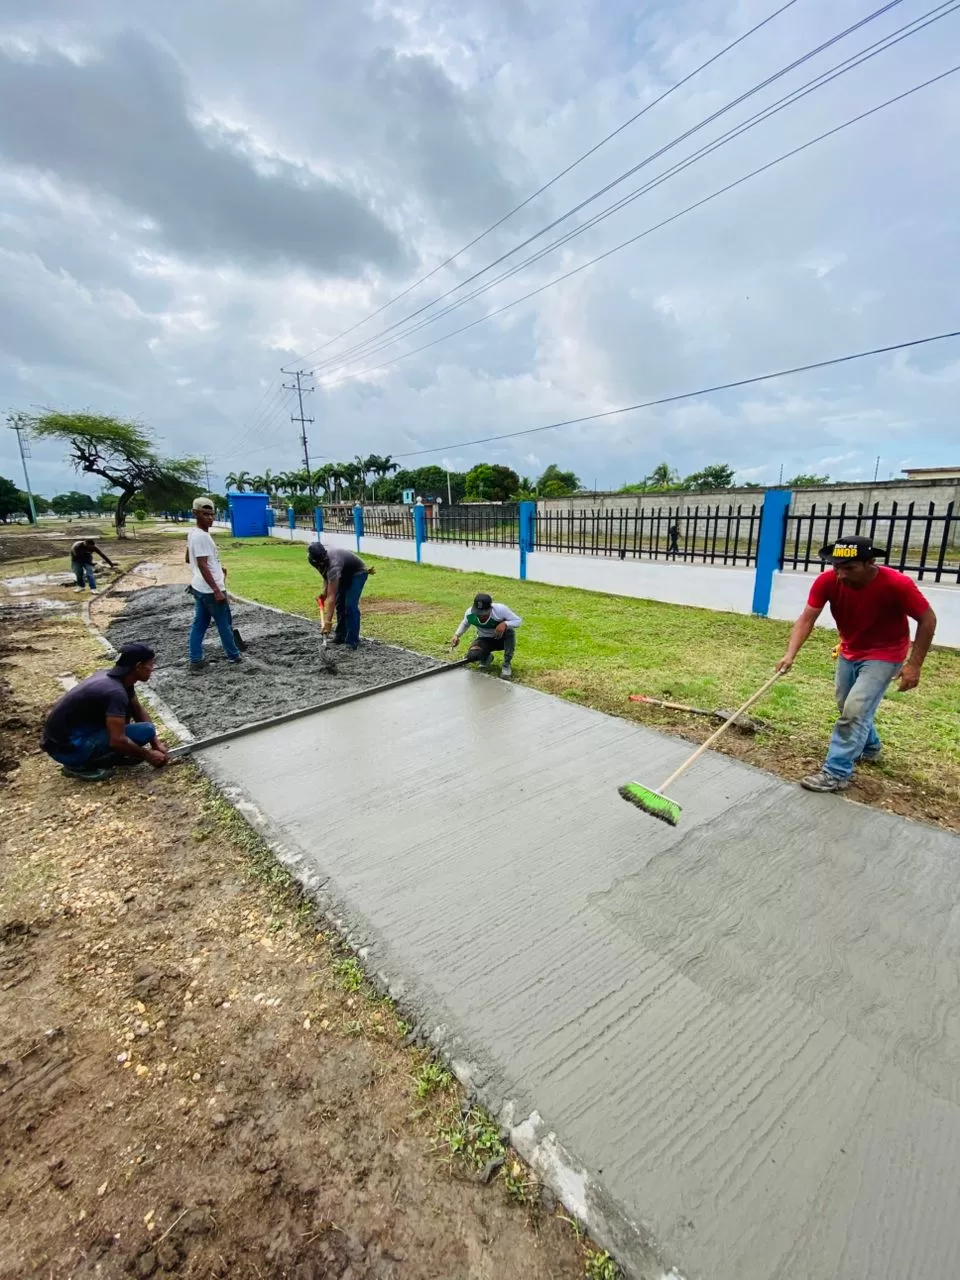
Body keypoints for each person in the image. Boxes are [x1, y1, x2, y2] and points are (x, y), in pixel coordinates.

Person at [776, 535, 936, 793]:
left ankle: (836, 773)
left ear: (870, 563)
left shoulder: (897, 584)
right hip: (850, 650)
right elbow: (807, 618)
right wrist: (790, 654)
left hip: (886, 654)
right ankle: (869, 747)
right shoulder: (827, 581)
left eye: (849, 568)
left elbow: (927, 620)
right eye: (836, 567)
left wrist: (914, 665)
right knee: (846, 705)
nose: (841, 575)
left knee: (855, 710)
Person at [41, 642, 169, 781]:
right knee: (141, 732)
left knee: (146, 729)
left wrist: (155, 743)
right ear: (138, 666)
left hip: (72, 736)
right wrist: (148, 755)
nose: (152, 668)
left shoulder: (119, 678)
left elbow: (137, 710)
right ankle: (78, 765)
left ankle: (116, 755)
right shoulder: (115, 693)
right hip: (67, 748)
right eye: (150, 664)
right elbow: (117, 741)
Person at [187, 496, 241, 670]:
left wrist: (217, 568)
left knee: (200, 624)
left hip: (199, 587)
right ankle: (234, 656)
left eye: (211, 514)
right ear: (195, 513)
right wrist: (217, 589)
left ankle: (196, 659)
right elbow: (202, 564)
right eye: (205, 514)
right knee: (224, 623)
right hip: (210, 591)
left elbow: (189, 558)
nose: (210, 518)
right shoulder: (201, 537)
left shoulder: (193, 534)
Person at [307, 542, 370, 649]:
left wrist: (327, 622)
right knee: (340, 604)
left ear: (324, 554)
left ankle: (352, 641)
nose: (322, 562)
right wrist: (324, 592)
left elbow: (331, 596)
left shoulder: (333, 562)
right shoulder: (312, 560)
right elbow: (326, 575)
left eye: (323, 560)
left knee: (350, 605)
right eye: (319, 561)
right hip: (342, 574)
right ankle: (341, 635)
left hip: (357, 573)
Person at [451, 592, 522, 679]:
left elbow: (518, 621)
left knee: (510, 631)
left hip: (502, 639)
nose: (481, 616)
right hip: (484, 639)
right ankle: (486, 657)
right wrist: (457, 635)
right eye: (478, 613)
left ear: (490, 608)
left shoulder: (500, 610)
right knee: (472, 656)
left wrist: (505, 623)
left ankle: (506, 664)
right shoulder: (469, 613)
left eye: (484, 613)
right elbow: (465, 624)